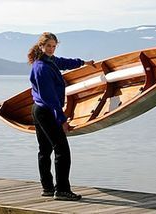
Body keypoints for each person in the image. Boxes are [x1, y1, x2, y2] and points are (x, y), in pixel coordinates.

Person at [28, 32, 94, 201]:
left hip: (38, 110)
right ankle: (62, 190)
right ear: (41, 46)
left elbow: (63, 62)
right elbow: (50, 98)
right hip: (46, 111)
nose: (51, 49)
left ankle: (48, 188)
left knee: (44, 150)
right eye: (48, 46)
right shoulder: (42, 68)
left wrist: (82, 63)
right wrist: (62, 119)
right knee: (62, 150)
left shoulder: (47, 60)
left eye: (53, 46)